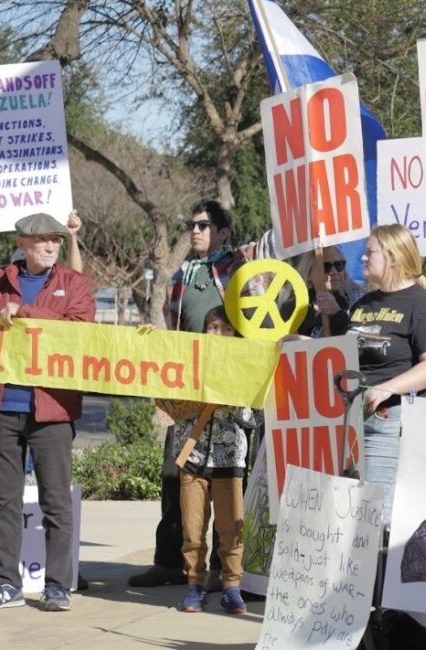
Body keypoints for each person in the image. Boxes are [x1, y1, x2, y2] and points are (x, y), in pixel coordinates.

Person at [0, 213, 94, 612]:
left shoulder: (74, 284)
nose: (51, 246)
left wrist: (25, 313)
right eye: (43, 240)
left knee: (56, 502)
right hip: (2, 405)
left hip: (53, 407)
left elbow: (79, 328)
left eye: (56, 241)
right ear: (22, 243)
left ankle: (58, 585)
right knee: (5, 501)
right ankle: (6, 583)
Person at [130, 200, 247, 589]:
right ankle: (170, 562)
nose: (194, 231)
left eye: (203, 224)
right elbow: (170, 322)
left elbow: (259, 320)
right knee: (173, 474)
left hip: (228, 389)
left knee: (225, 480)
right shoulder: (182, 274)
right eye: (190, 224)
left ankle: (219, 568)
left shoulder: (240, 271)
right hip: (187, 388)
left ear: (224, 232)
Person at [330, 224, 426, 522]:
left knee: (376, 519)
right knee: (346, 514)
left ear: (393, 257)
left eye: (369, 252)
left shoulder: (424, 306)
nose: (362, 259)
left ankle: (379, 570)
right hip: (348, 419)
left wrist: (387, 389)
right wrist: (302, 345)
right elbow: (341, 353)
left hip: (389, 422)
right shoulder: (361, 306)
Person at [172, 306, 258, 614]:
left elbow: (249, 416)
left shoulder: (246, 365)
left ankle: (231, 587)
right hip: (191, 453)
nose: (219, 333)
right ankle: (195, 586)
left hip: (230, 457)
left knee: (231, 527)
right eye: (213, 327)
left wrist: (230, 388)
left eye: (226, 328)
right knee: (192, 528)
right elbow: (171, 401)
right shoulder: (188, 361)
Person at [292, 245, 365, 338]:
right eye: (326, 266)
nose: (334, 272)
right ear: (309, 273)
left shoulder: (357, 298)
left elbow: (362, 338)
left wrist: (337, 313)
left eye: (339, 265)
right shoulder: (296, 306)